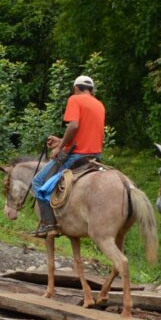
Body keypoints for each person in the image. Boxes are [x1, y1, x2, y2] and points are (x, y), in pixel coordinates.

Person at [32, 74, 106, 237]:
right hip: (95, 156)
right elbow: (83, 133)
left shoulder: (75, 99)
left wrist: (59, 149)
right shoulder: (99, 105)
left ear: (76, 88)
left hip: (77, 156)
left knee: (37, 182)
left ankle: (48, 225)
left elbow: (73, 126)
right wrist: (60, 142)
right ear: (91, 90)